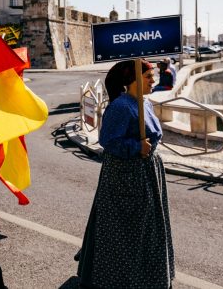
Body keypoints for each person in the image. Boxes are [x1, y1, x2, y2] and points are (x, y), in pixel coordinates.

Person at [76, 59, 175, 288]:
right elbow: (108, 141)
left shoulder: (144, 103)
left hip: (146, 172)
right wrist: (136, 147)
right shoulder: (120, 107)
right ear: (132, 81)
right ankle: (118, 280)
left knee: (148, 229)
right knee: (126, 232)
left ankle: (148, 277)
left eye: (152, 76)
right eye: (148, 77)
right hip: (126, 176)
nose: (153, 80)